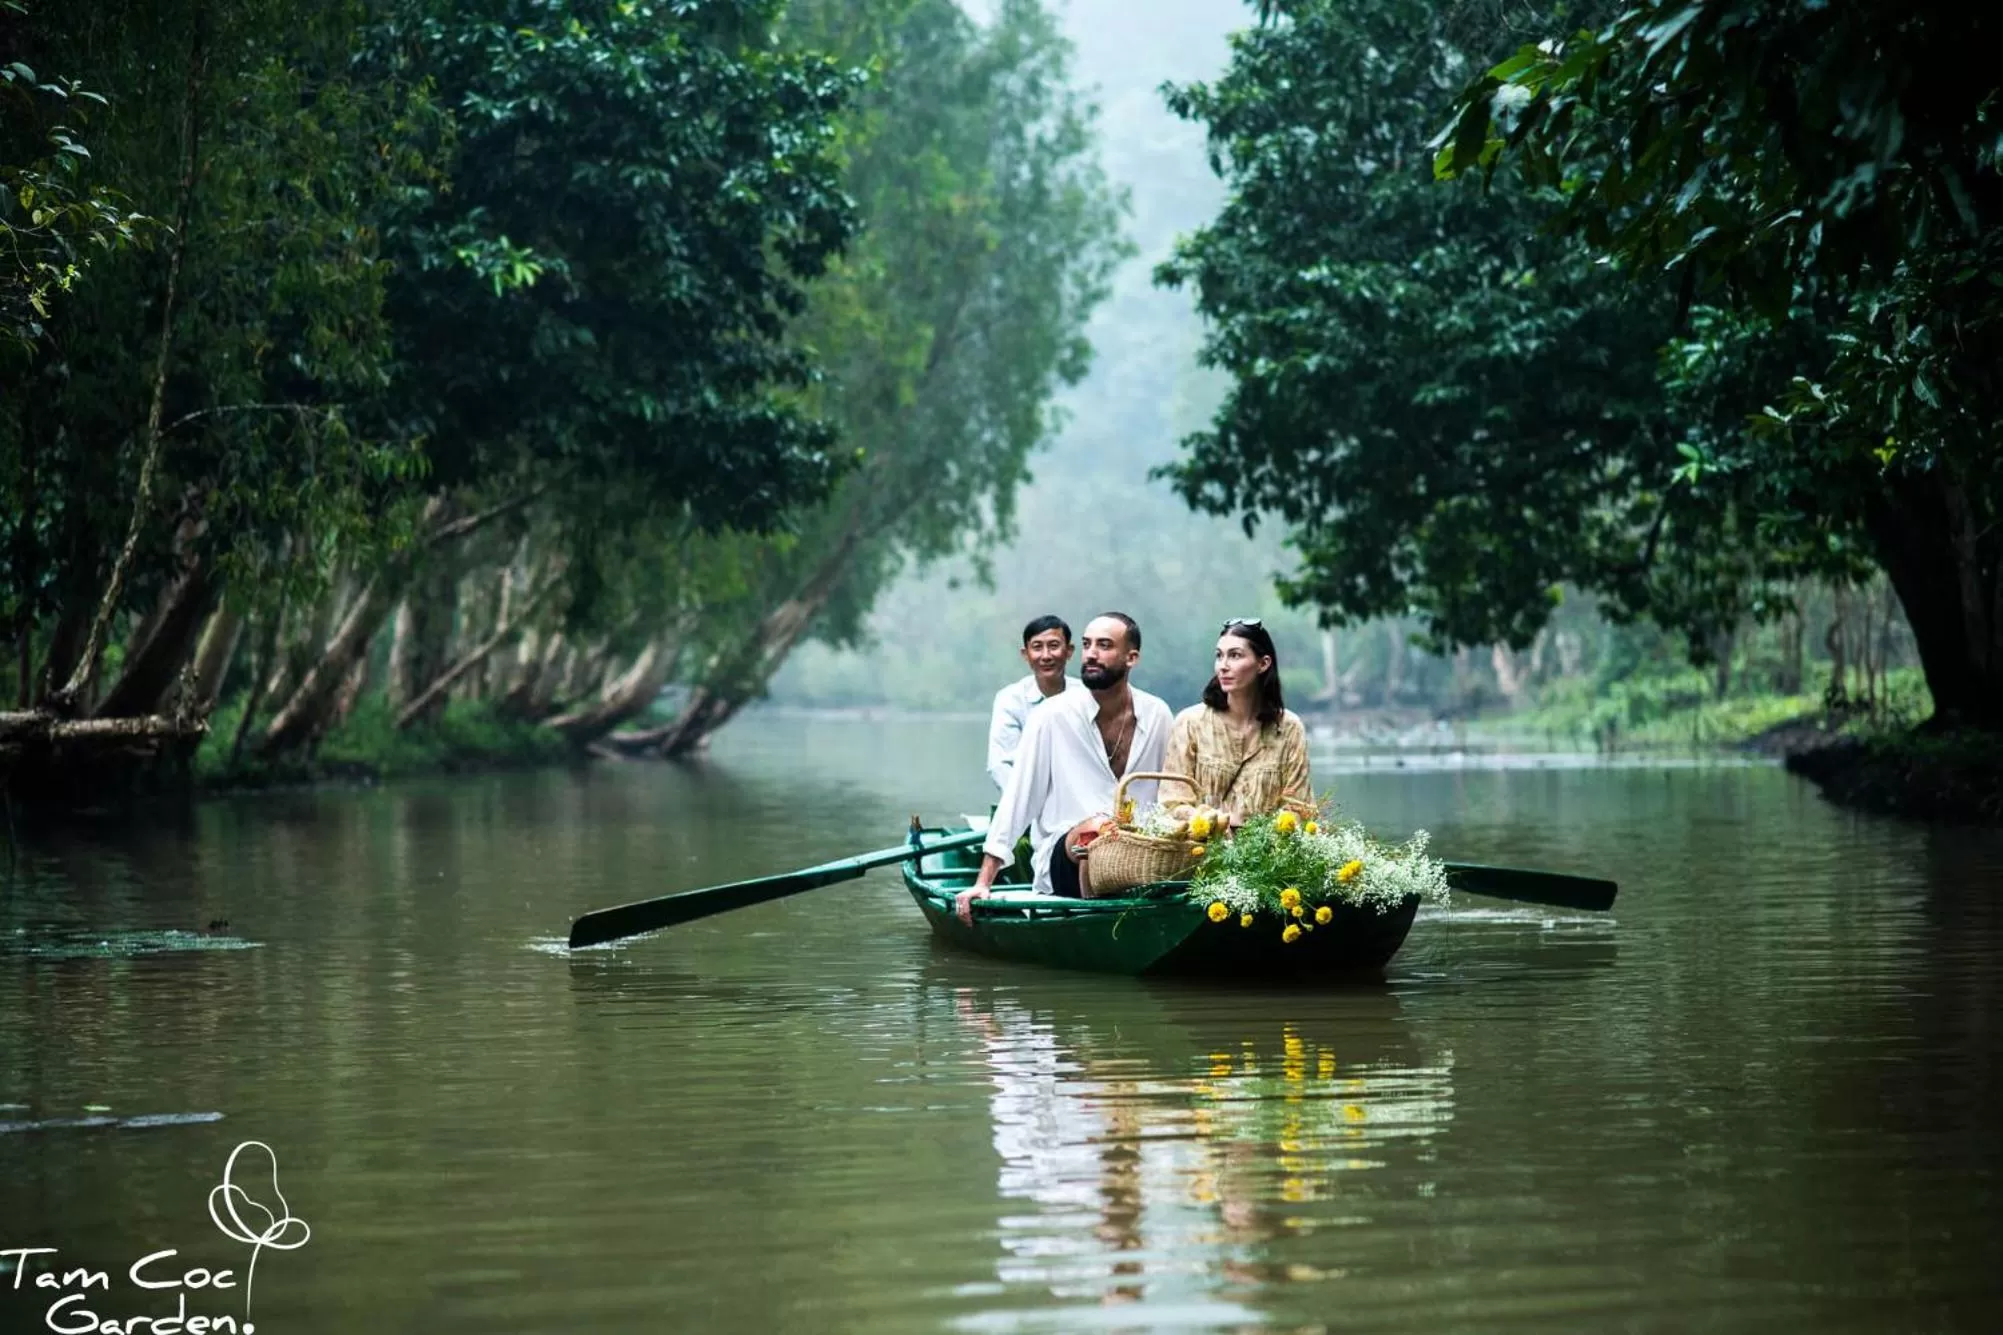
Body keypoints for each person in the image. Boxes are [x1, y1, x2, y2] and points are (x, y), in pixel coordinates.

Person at [956, 613, 1173, 921]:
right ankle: (1096, 923)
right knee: (1099, 830)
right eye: (1087, 645)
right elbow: (1018, 799)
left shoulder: (1157, 715)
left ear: (1131, 658)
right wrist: (983, 882)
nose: (1092, 654)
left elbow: (1173, 792)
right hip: (1066, 853)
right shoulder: (1052, 716)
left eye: (1105, 645)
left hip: (1139, 855)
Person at [1156, 618, 1311, 826]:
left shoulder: (1289, 728)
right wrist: (1209, 823)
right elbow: (1172, 803)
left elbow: (1298, 807)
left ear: (1263, 663)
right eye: (1219, 656)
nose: (1223, 666)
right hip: (1199, 851)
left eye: (1235, 655)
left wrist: (1261, 840)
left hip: (1265, 854)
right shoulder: (1190, 722)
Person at [987, 614, 1084, 791]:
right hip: (1025, 796)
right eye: (1037, 647)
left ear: (1069, 651)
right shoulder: (1010, 699)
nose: (1046, 656)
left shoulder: (1086, 696)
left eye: (1054, 646)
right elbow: (1000, 764)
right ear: (1025, 654)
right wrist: (1024, 806)